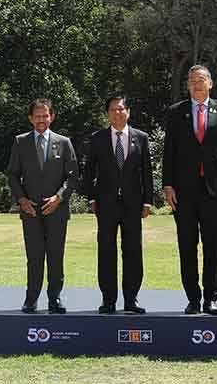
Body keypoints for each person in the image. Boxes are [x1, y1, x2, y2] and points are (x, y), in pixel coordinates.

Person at [162, 64, 217, 315]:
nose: (197, 84)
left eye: (202, 79)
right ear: (187, 85)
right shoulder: (176, 112)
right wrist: (168, 185)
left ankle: (211, 298)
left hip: (214, 191)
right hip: (183, 192)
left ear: (211, 83)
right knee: (187, 244)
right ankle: (193, 298)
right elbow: (169, 152)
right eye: (193, 80)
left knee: (212, 245)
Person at [82, 95, 153, 314]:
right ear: (108, 114)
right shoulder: (98, 138)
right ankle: (108, 300)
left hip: (133, 204)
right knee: (106, 251)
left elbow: (147, 172)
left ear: (128, 112)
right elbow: (89, 171)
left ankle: (131, 300)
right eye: (112, 110)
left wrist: (148, 200)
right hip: (106, 204)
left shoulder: (140, 138)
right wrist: (92, 198)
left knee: (133, 251)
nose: (117, 113)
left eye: (121, 109)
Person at [8, 98, 78, 314]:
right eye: (37, 116)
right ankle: (31, 299)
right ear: (30, 118)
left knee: (56, 256)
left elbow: (73, 175)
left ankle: (54, 298)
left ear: (52, 117)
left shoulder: (64, 142)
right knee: (34, 257)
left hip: (57, 211)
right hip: (30, 211)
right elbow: (12, 174)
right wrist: (22, 200)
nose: (41, 119)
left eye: (45, 115)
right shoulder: (20, 142)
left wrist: (59, 198)